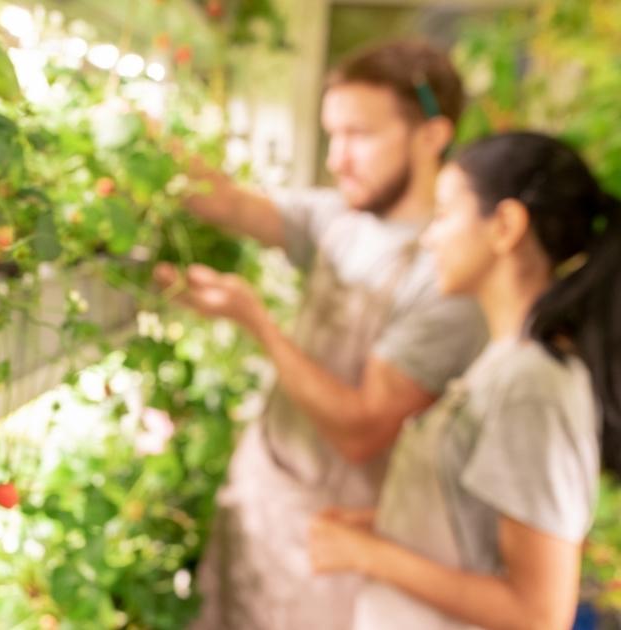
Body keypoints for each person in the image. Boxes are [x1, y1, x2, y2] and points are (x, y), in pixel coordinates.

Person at [153, 41, 489, 629]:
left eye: (359, 135)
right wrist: (141, 143)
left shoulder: (447, 275)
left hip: (334, 541)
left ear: (432, 137)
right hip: (262, 496)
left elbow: (360, 429)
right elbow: (228, 203)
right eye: (332, 134)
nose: (338, 159)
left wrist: (256, 323)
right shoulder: (339, 218)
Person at [308, 131, 621, 630]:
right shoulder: (503, 362)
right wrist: (382, 528)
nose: (429, 237)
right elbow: (483, 537)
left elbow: (539, 613)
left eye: (444, 214)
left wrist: (368, 553)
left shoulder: (534, 384)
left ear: (505, 226)